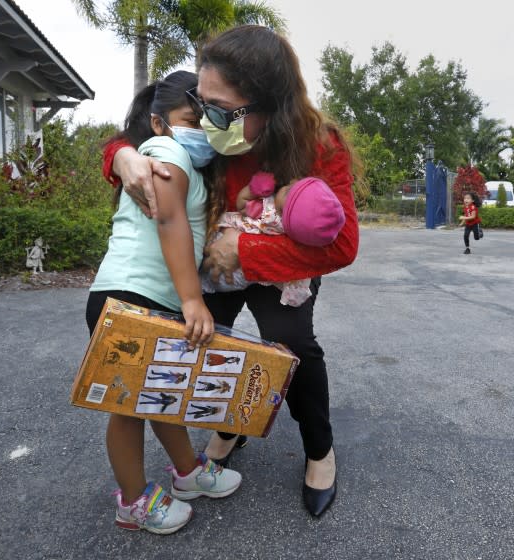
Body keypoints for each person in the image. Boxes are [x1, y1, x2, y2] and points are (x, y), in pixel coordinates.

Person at [102, 25, 359, 517]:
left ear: (269, 105)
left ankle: (319, 448)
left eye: (219, 109)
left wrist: (245, 250)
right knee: (207, 338)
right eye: (203, 102)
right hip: (214, 263)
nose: (205, 118)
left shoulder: (320, 144)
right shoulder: (211, 128)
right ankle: (226, 426)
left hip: (283, 264)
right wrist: (123, 156)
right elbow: (141, 131)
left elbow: (343, 244)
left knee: (292, 344)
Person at [87, 70, 242, 534]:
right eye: (190, 118)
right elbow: (170, 221)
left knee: (162, 394)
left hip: (152, 298)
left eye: (207, 120)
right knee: (129, 406)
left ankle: (188, 474)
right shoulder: (166, 152)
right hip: (129, 298)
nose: (201, 129)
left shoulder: (187, 162)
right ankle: (132, 503)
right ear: (159, 124)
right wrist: (193, 300)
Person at [203, 171, 346, 306]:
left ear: (284, 211)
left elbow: (242, 203)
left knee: (202, 261)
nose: (292, 181)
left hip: (224, 257)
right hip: (242, 277)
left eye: (289, 190)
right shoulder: (296, 235)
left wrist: (253, 188)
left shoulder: (269, 212)